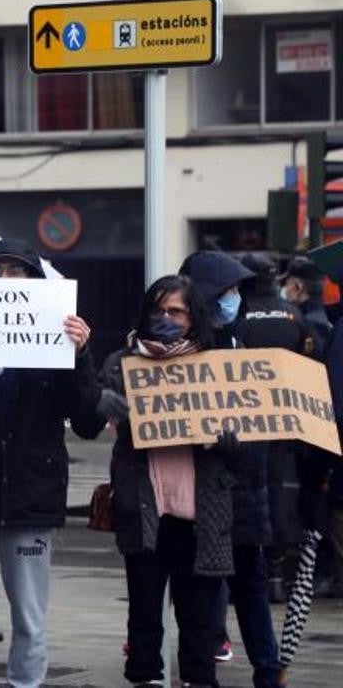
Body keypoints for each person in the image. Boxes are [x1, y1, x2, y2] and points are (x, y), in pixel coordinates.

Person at [0, 240, 105, 688]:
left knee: (30, 619)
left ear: (35, 284)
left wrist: (80, 356)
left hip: (30, 500)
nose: (6, 281)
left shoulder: (58, 347)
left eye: (17, 272)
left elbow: (89, 420)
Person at [97, 275, 242, 688]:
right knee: (143, 618)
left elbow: (245, 457)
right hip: (146, 510)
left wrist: (226, 442)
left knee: (199, 622)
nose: (165, 318)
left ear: (193, 316)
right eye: (158, 311)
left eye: (175, 311)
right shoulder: (123, 364)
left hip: (201, 515)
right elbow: (90, 420)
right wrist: (102, 400)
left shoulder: (218, 367)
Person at [180, 251, 279, 681]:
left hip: (245, 489)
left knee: (251, 587)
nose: (234, 299)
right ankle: (204, 670)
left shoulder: (245, 342)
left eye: (237, 291)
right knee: (204, 590)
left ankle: (268, 668)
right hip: (203, 494)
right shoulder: (178, 349)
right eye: (226, 291)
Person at [236, 254, 313, 605]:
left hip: (244, 421)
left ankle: (251, 572)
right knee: (278, 493)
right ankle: (277, 575)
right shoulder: (294, 317)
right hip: (284, 420)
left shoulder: (239, 318)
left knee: (248, 497)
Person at [280, 257, 331, 358]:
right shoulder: (327, 316)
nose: (285, 289)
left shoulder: (310, 323)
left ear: (298, 287)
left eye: (287, 284)